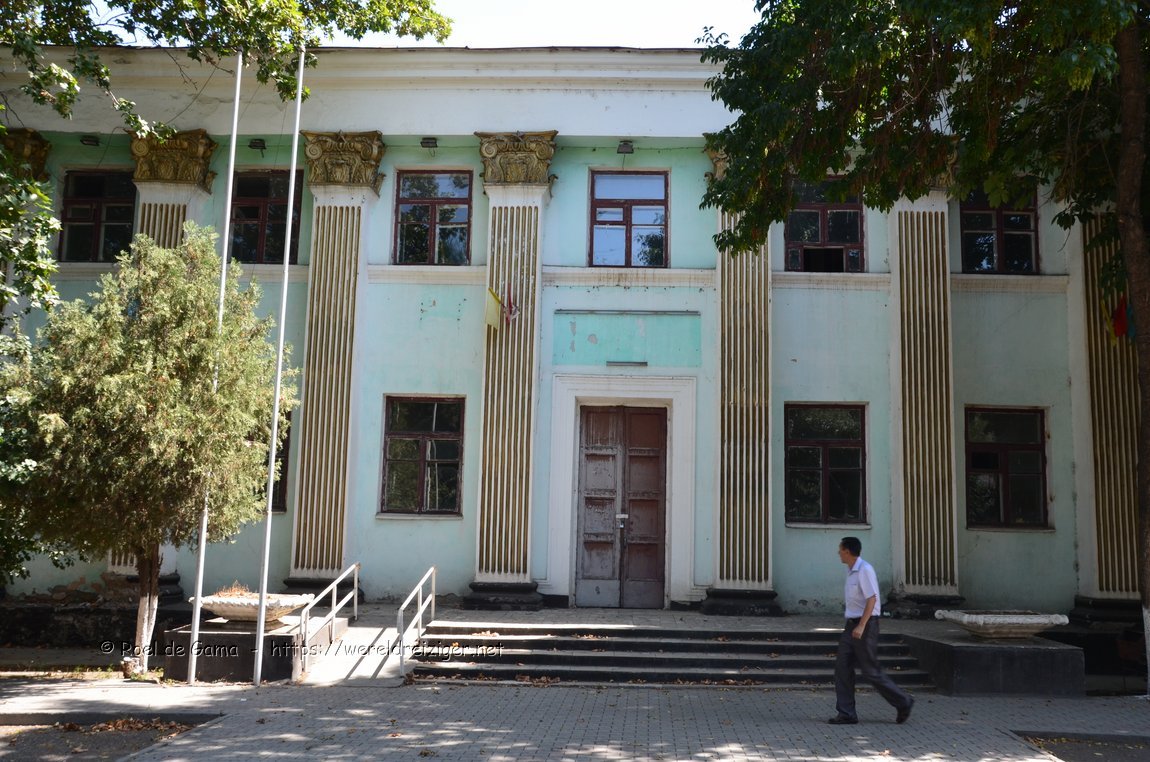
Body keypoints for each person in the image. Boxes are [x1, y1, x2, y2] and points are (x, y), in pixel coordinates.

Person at [828, 536, 914, 725]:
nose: (838, 553)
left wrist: (861, 625)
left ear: (847, 551)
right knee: (842, 667)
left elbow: (872, 599)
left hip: (865, 625)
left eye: (840, 549)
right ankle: (846, 713)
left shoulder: (864, 570)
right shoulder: (851, 571)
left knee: (870, 670)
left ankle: (903, 701)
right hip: (851, 625)